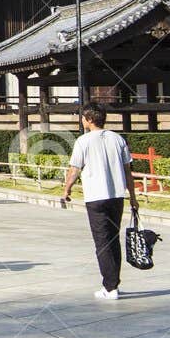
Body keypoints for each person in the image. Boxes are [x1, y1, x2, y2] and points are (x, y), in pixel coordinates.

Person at [60, 105, 139, 301]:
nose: (82, 121)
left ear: (88, 119)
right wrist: (133, 197)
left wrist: (67, 189)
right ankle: (114, 283)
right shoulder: (117, 139)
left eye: (82, 118)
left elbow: (74, 169)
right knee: (113, 239)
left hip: (95, 197)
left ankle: (109, 287)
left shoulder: (83, 141)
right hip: (116, 196)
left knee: (102, 242)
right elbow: (128, 171)